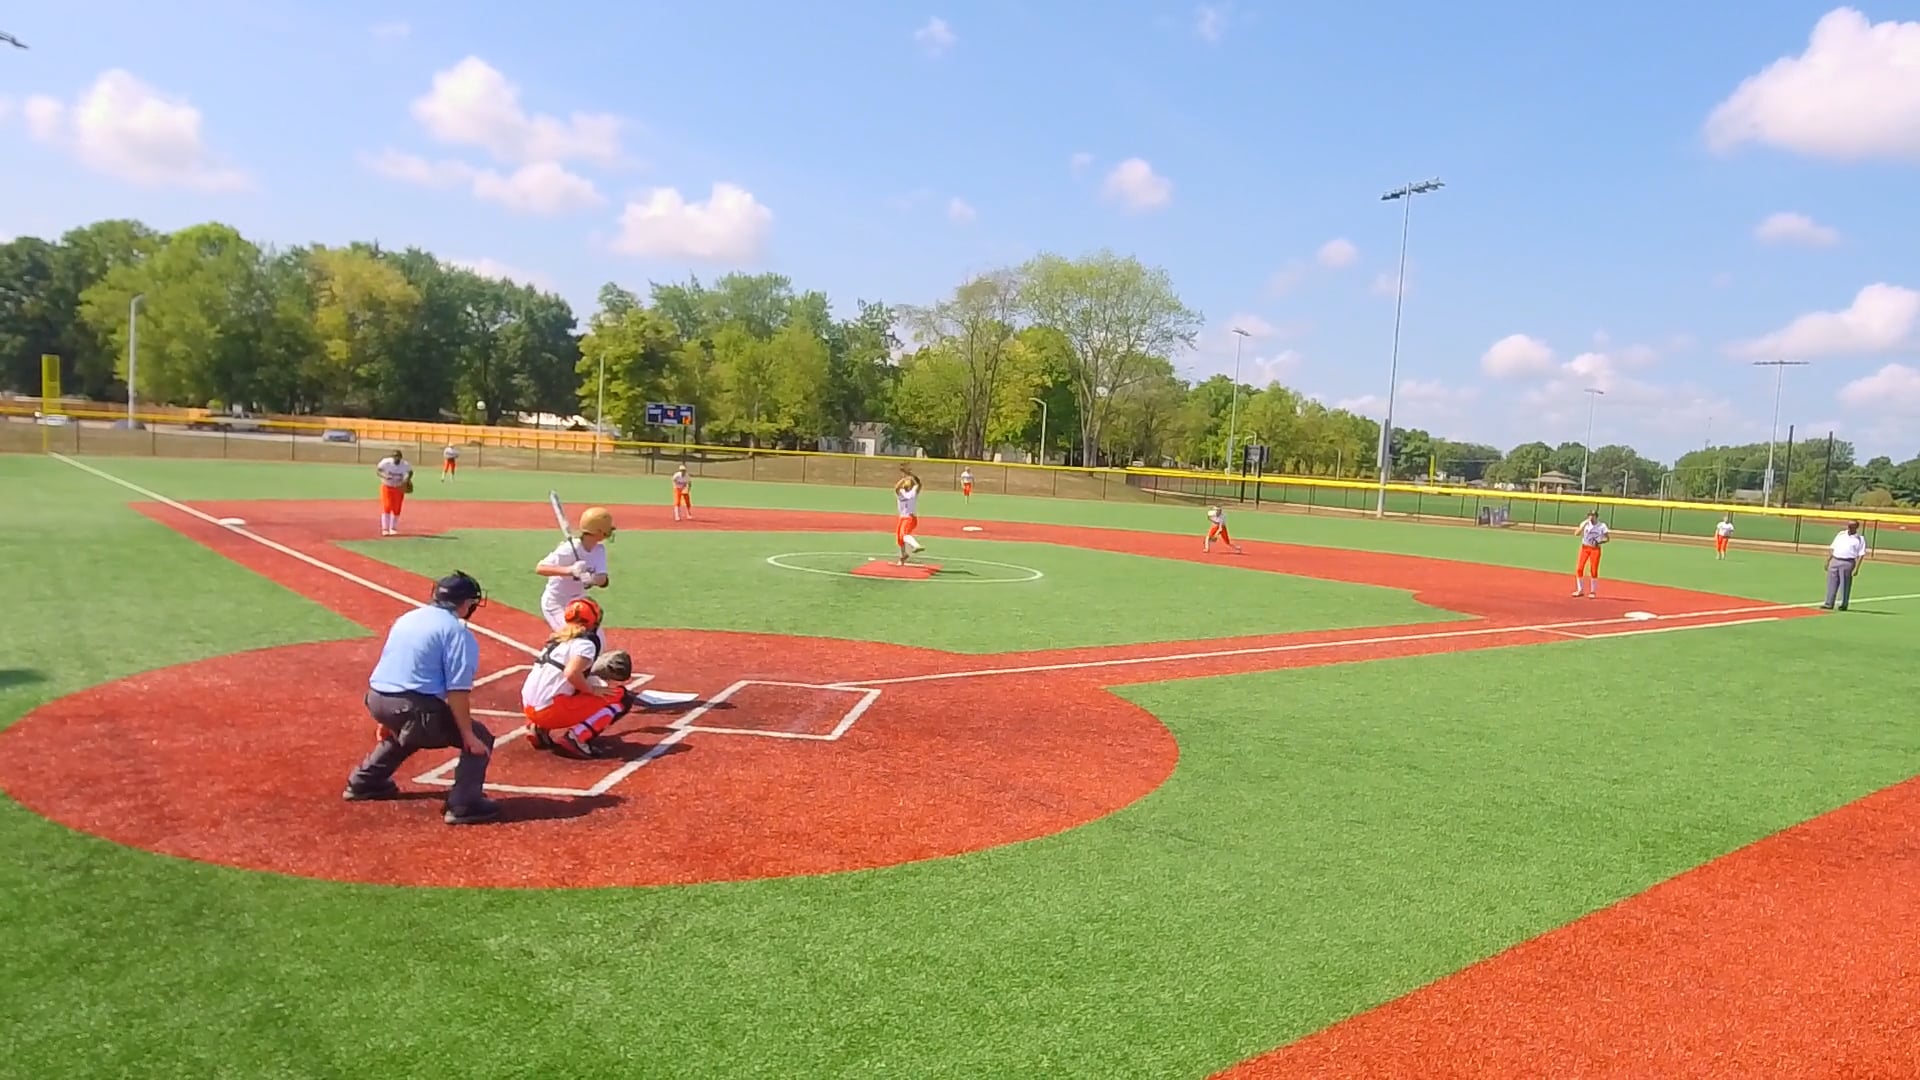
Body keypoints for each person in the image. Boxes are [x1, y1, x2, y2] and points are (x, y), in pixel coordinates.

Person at [343, 570, 499, 825]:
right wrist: (468, 735)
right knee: (479, 737)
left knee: (410, 729)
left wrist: (386, 719)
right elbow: (458, 691)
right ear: (467, 603)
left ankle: (365, 781)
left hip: (377, 699)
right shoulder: (457, 632)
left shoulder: (408, 618)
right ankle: (465, 804)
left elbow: (393, 667)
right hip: (410, 706)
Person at [521, 597, 637, 758]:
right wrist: (592, 690)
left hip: (528, 708)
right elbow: (571, 673)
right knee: (620, 698)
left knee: (571, 687)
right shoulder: (585, 644)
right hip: (549, 711)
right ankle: (578, 738)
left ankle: (537, 729)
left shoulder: (557, 639)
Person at [534, 506, 615, 631]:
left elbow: (603, 580)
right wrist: (570, 570)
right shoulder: (569, 549)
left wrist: (592, 579)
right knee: (573, 635)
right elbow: (540, 568)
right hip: (556, 603)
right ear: (599, 531)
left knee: (596, 637)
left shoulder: (599, 550)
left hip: (578, 603)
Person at [1821, 520, 1868, 611]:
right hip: (1835, 560)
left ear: (1856, 527)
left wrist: (1857, 568)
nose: (1849, 527)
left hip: (1848, 562)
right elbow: (1833, 548)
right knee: (1831, 583)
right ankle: (1829, 603)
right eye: (1849, 525)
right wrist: (1828, 560)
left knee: (1845, 584)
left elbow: (1861, 554)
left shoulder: (1859, 539)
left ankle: (1843, 604)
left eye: (1852, 526)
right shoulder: (1841, 534)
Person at [375, 448, 413, 536]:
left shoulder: (405, 465)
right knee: (387, 506)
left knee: (397, 509)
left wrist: (407, 479)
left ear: (401, 457)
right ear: (392, 457)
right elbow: (378, 470)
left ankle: (393, 528)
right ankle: (385, 528)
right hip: (387, 486)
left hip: (399, 488)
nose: (396, 458)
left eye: (398, 456)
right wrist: (384, 476)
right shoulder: (386, 463)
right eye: (395, 456)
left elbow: (410, 472)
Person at [1573, 509, 1609, 597]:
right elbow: (1576, 533)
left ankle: (1593, 591)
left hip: (1595, 549)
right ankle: (1580, 590)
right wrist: (1583, 526)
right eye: (1589, 515)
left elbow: (1607, 538)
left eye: (1593, 515)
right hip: (1585, 548)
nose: (1591, 517)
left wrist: (1599, 542)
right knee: (1579, 568)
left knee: (1593, 570)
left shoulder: (1602, 526)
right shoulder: (1585, 524)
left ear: (1596, 516)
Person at [894, 463, 924, 565]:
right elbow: (896, 488)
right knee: (899, 538)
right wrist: (904, 478)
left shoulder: (913, 491)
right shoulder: (901, 491)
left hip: (910, 518)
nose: (907, 482)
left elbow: (919, 483)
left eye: (909, 481)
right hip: (902, 518)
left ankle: (916, 545)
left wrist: (911, 475)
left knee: (904, 534)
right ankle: (904, 555)